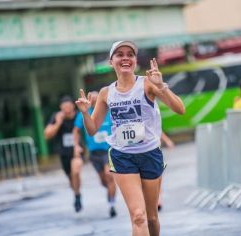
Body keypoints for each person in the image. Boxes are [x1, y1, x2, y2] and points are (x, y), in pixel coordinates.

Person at [75, 40, 185, 236]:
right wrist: (85, 113)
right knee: (138, 216)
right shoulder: (106, 93)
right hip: (122, 156)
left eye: (130, 54)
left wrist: (162, 87)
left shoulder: (147, 84)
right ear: (111, 62)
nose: (125, 58)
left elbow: (180, 109)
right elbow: (92, 130)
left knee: (151, 218)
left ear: (135, 61)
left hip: (150, 154)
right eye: (119, 54)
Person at [73, 91, 117, 218]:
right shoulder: (85, 113)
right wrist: (76, 146)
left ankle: (112, 204)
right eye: (93, 100)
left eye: (98, 99)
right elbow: (76, 130)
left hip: (109, 150)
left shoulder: (109, 112)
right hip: (94, 153)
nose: (96, 102)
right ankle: (110, 191)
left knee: (109, 175)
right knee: (104, 181)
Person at [44, 96, 84, 212]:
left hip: (77, 150)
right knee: (71, 179)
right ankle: (77, 194)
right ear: (61, 107)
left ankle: (77, 196)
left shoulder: (78, 115)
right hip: (64, 153)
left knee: (76, 171)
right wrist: (58, 123)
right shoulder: (56, 117)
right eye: (64, 106)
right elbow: (47, 134)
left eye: (69, 106)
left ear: (73, 106)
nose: (67, 109)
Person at [157, 131, 175, 211]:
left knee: (158, 176)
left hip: (154, 152)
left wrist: (167, 140)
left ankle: (158, 200)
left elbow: (158, 129)